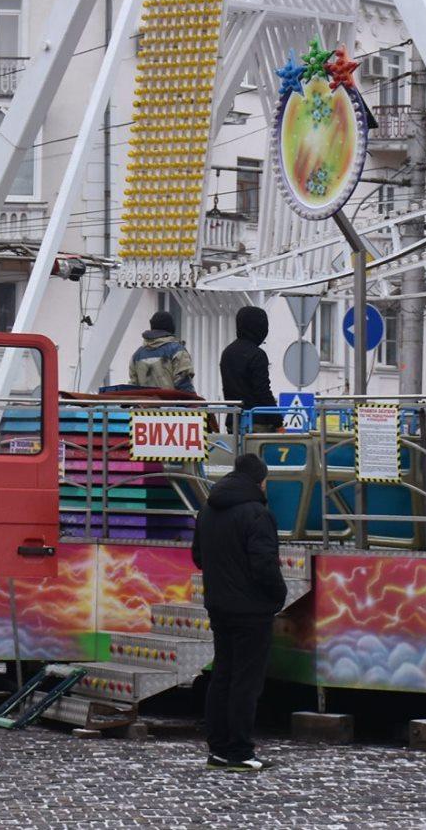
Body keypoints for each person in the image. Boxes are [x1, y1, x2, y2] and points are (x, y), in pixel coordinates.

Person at [190, 453, 286, 771]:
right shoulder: (257, 514)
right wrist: (278, 595)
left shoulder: (207, 510)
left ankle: (218, 748)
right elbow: (264, 565)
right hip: (252, 611)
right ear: (260, 480)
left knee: (222, 676)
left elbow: (198, 557)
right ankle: (240, 750)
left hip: (219, 606)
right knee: (246, 682)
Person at [218, 306, 274, 411]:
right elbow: (263, 392)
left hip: (234, 418)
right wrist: (278, 421)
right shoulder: (257, 355)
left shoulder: (227, 352)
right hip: (256, 419)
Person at [128, 309, 196, 393]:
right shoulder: (177, 350)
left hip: (145, 405)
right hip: (171, 404)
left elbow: (133, 386)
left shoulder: (137, 355)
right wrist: (194, 403)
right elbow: (183, 383)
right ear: (171, 327)